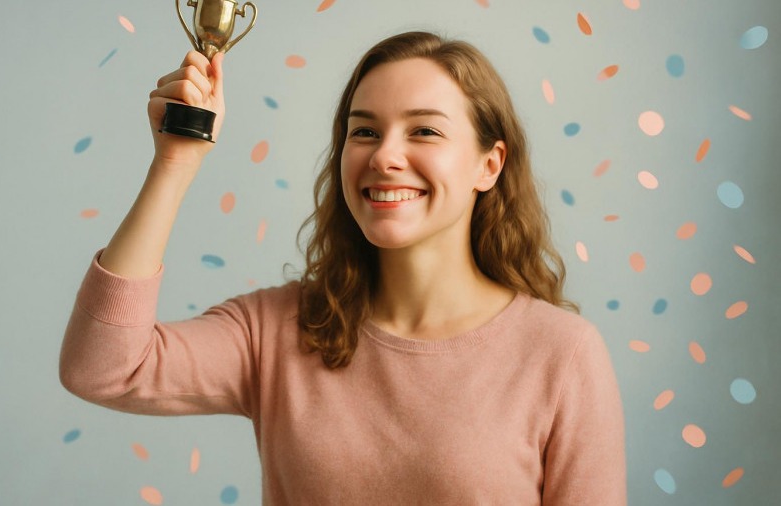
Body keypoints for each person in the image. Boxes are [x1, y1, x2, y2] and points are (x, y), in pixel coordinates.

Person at [60, 31, 626, 505]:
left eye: (424, 130)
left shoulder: (563, 354)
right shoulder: (277, 330)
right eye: (364, 131)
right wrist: (175, 161)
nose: (384, 156)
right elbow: (101, 367)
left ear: (489, 164)